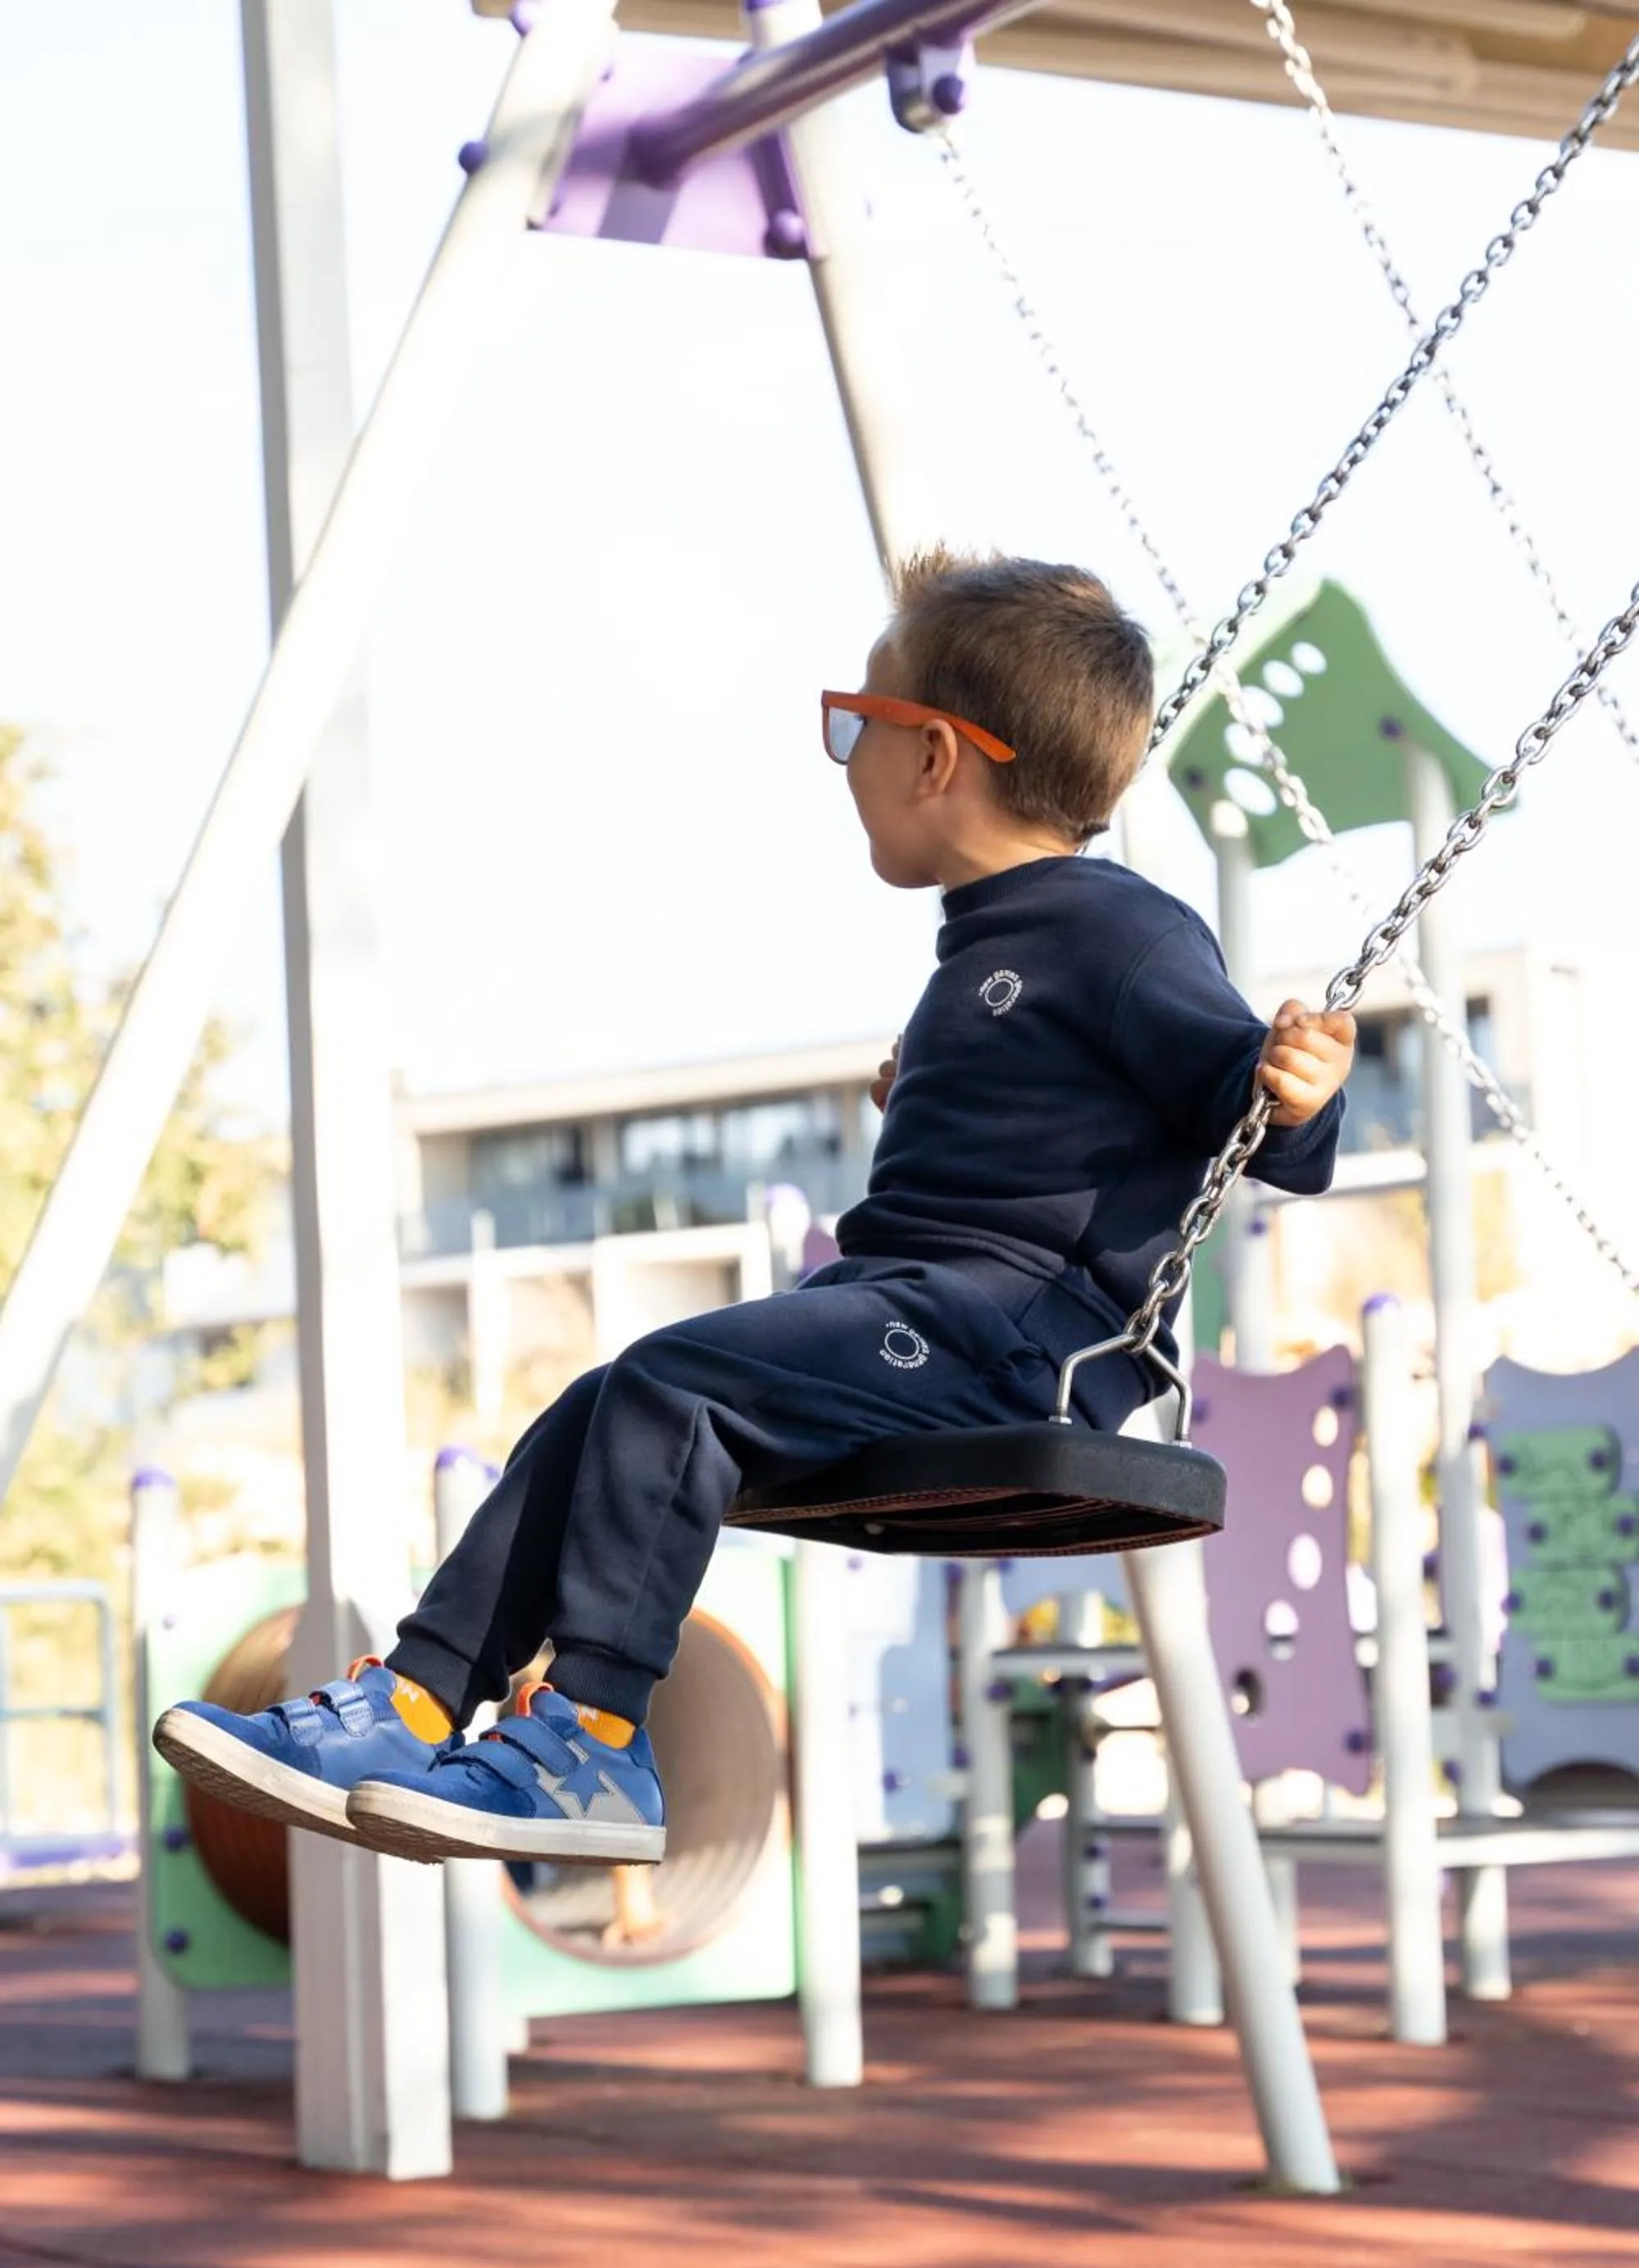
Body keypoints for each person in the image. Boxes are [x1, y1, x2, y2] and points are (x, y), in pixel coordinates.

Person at [155, 550, 1355, 1871]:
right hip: (906, 1311)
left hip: (1019, 1346)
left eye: (856, 726)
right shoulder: (995, 939)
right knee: (602, 1401)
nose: (843, 757)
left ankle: (590, 1743)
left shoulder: (1126, 932)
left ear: (937, 758)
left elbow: (1253, 1119)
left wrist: (1295, 1087)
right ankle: (418, 1699)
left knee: (673, 1386)